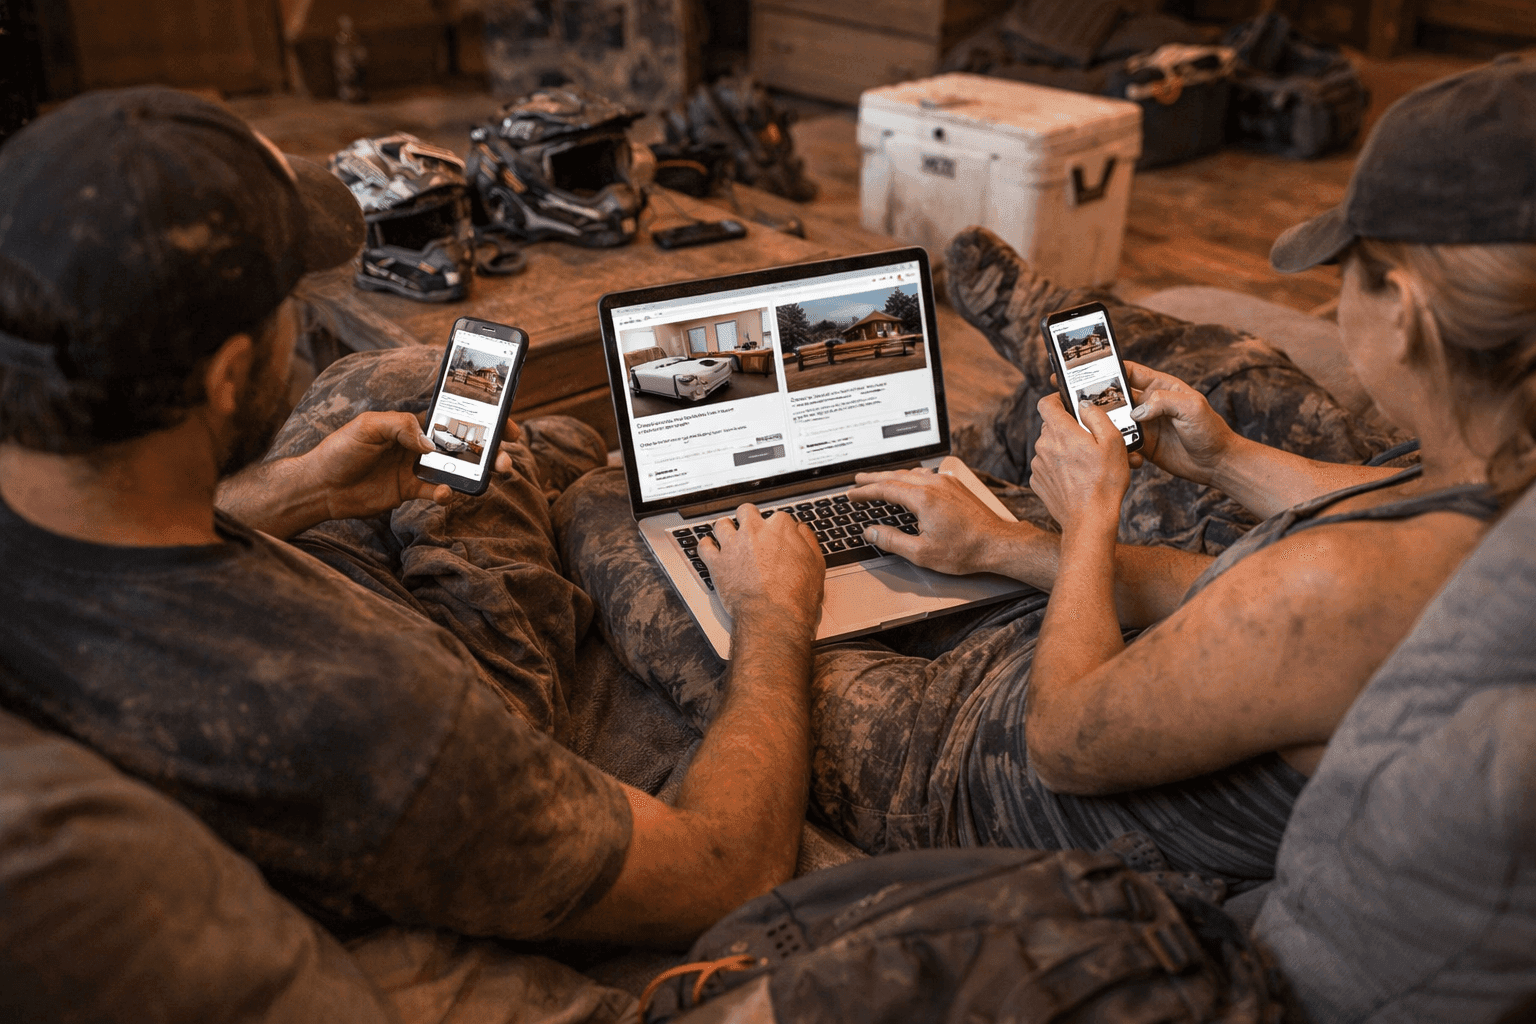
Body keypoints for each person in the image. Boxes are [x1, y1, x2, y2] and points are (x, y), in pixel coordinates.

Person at [558, 56, 1536, 889]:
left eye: (1345, 272)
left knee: (644, 535)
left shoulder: (1333, 590)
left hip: (1002, 774)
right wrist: (1010, 540)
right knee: (1220, 408)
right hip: (1152, 672)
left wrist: (1091, 519)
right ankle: (1026, 378)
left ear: (1403, 309)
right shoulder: (1496, 480)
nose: (1337, 297)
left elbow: (1061, 737)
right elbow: (1254, 596)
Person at [0, 86, 827, 948]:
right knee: (539, 469)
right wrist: (772, 617)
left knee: (423, 386)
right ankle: (570, 462)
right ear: (227, 376)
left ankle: (556, 452)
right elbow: (728, 870)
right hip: (457, 711)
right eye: (291, 300)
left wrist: (306, 492)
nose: (302, 318)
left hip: (283, 592)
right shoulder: (378, 713)